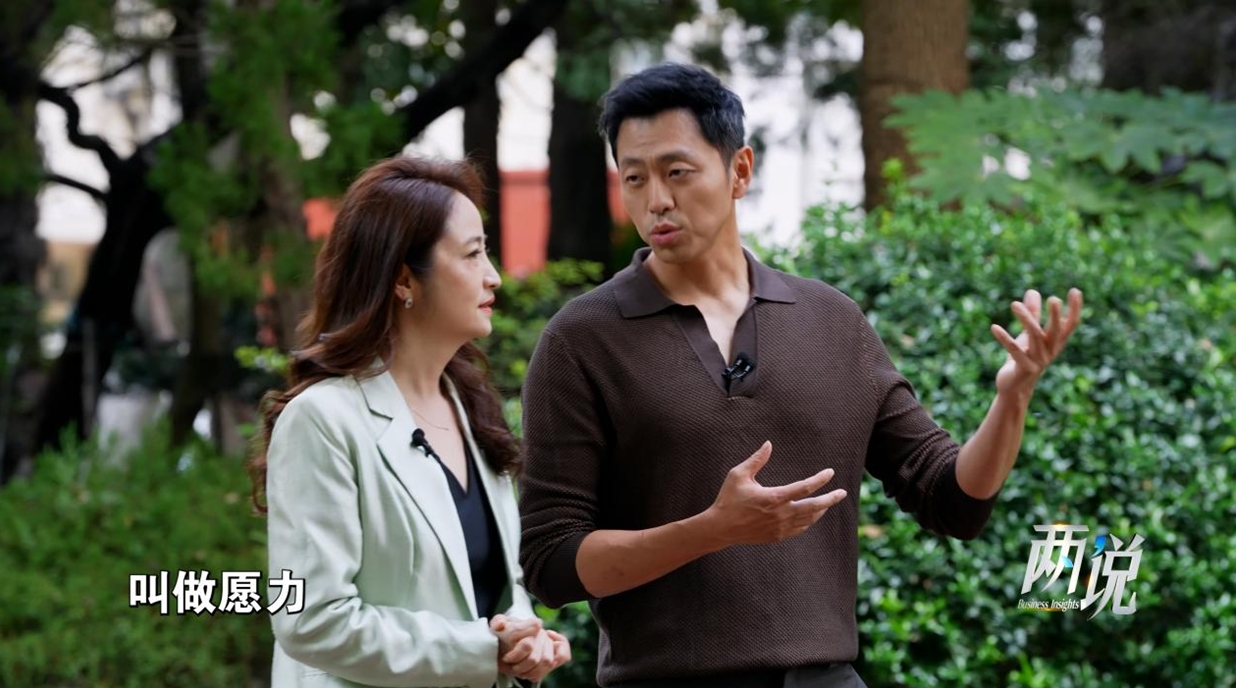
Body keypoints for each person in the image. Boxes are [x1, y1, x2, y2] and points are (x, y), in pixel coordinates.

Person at [518, 63, 1083, 688]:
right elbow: (551, 562)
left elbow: (951, 500)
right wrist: (711, 531)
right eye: (634, 178)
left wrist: (1012, 397)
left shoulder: (831, 321)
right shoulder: (581, 339)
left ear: (739, 171)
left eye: (677, 172)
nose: (656, 200)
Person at [251, 156, 570, 688]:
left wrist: (523, 638)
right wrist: (481, 649)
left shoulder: (471, 410)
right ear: (404, 278)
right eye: (472, 254)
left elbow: (496, 588)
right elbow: (309, 620)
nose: (493, 275)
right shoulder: (323, 420)